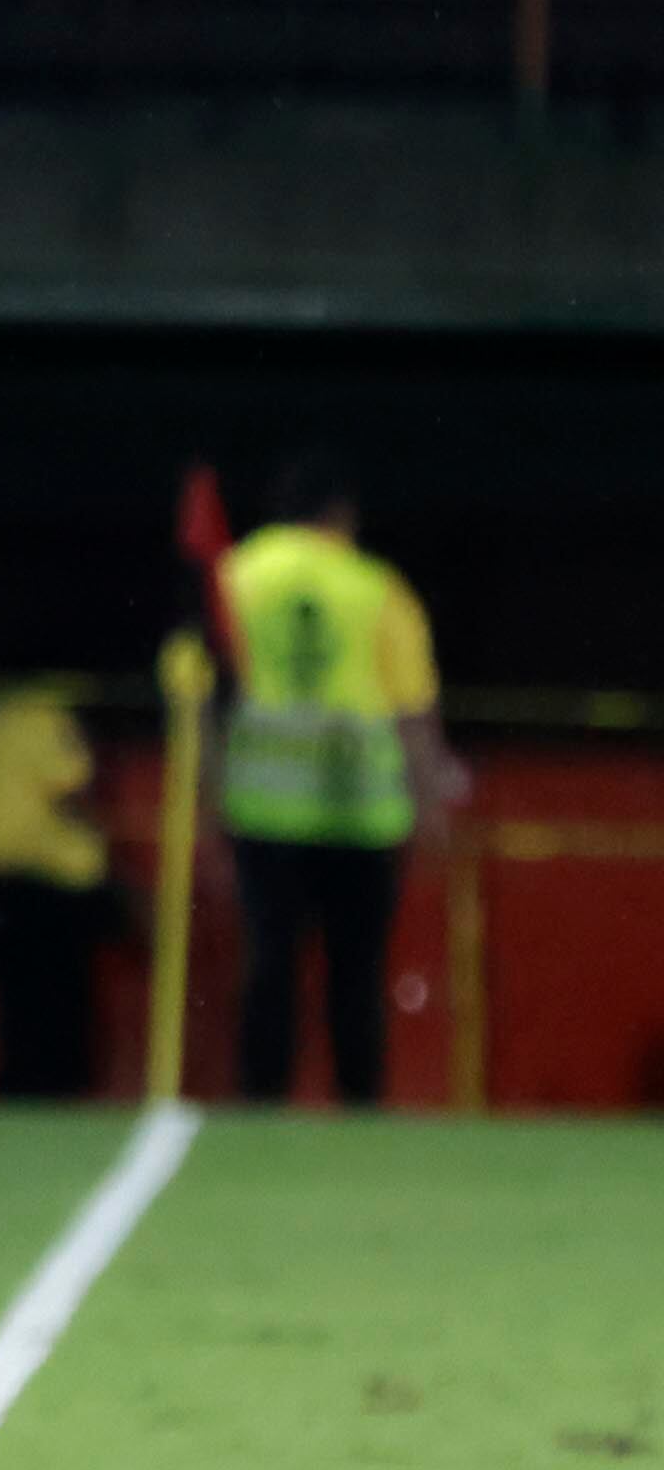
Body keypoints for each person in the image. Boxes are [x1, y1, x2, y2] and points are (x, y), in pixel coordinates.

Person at [216, 454, 465, 1107]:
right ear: (341, 514)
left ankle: (259, 1106)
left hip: (262, 810)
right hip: (361, 814)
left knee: (269, 966)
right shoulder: (376, 587)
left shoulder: (235, 576)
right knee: (356, 975)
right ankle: (360, 1108)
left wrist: (206, 799)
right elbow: (412, 709)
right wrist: (431, 803)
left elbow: (202, 694)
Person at [0, 680, 118, 1099]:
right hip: (52, 883)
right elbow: (72, 782)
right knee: (60, 1012)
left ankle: (20, 1101)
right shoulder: (49, 716)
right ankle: (56, 1102)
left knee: (19, 1011)